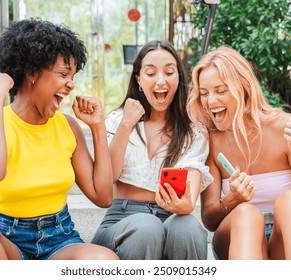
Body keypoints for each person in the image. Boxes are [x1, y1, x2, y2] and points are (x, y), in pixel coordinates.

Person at [0, 19, 118, 260]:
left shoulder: (67, 126)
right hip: (6, 241)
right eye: (63, 74)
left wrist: (98, 126)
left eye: (73, 76)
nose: (71, 84)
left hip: (59, 239)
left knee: (103, 261)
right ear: (32, 72)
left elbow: (103, 196)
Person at [188, 46, 291, 260]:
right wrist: (233, 199)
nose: (210, 101)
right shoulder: (210, 140)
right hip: (238, 238)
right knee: (246, 214)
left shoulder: (285, 127)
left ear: (244, 87)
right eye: (204, 94)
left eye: (220, 91)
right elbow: (209, 221)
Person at [91, 40, 213, 260]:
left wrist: (186, 203)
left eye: (169, 72)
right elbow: (108, 177)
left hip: (171, 216)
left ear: (178, 78)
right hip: (121, 220)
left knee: (188, 228)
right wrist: (126, 125)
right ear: (138, 79)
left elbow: (192, 181)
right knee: (146, 226)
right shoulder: (118, 120)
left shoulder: (193, 130)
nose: (160, 80)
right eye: (150, 73)